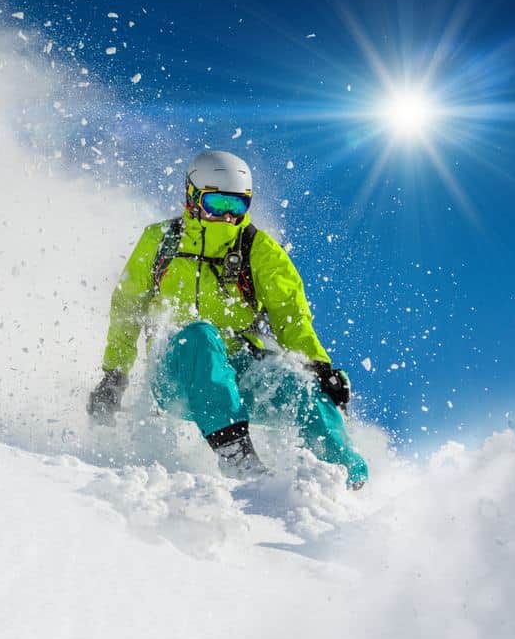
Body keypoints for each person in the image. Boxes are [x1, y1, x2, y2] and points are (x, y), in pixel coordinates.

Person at [87, 150, 368, 489]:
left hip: (240, 373)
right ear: (192, 198)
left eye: (236, 207)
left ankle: (345, 477)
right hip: (175, 374)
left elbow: (290, 316)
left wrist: (320, 367)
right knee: (200, 335)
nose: (226, 217)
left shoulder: (258, 250)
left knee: (301, 385)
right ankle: (236, 453)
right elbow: (127, 309)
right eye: (216, 204)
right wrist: (114, 374)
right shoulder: (161, 241)